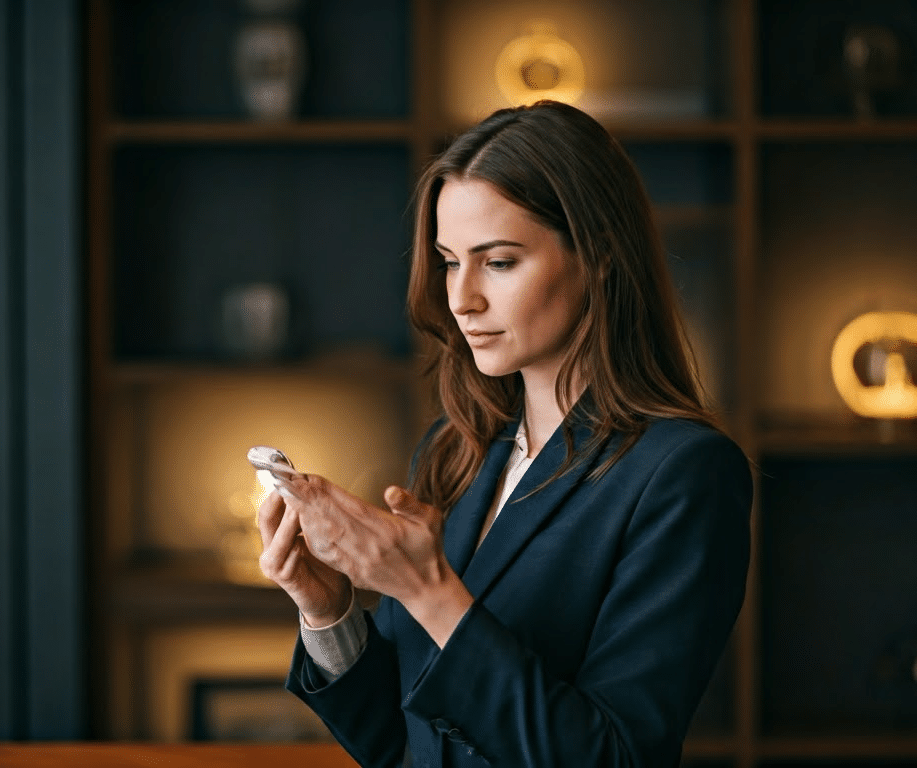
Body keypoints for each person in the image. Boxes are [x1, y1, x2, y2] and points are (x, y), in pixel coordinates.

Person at [255, 100, 752, 768]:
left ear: (599, 256)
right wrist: (331, 612)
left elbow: (614, 758)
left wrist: (429, 592)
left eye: (499, 262)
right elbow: (402, 746)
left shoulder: (684, 473)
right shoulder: (455, 449)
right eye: (449, 261)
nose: (461, 299)